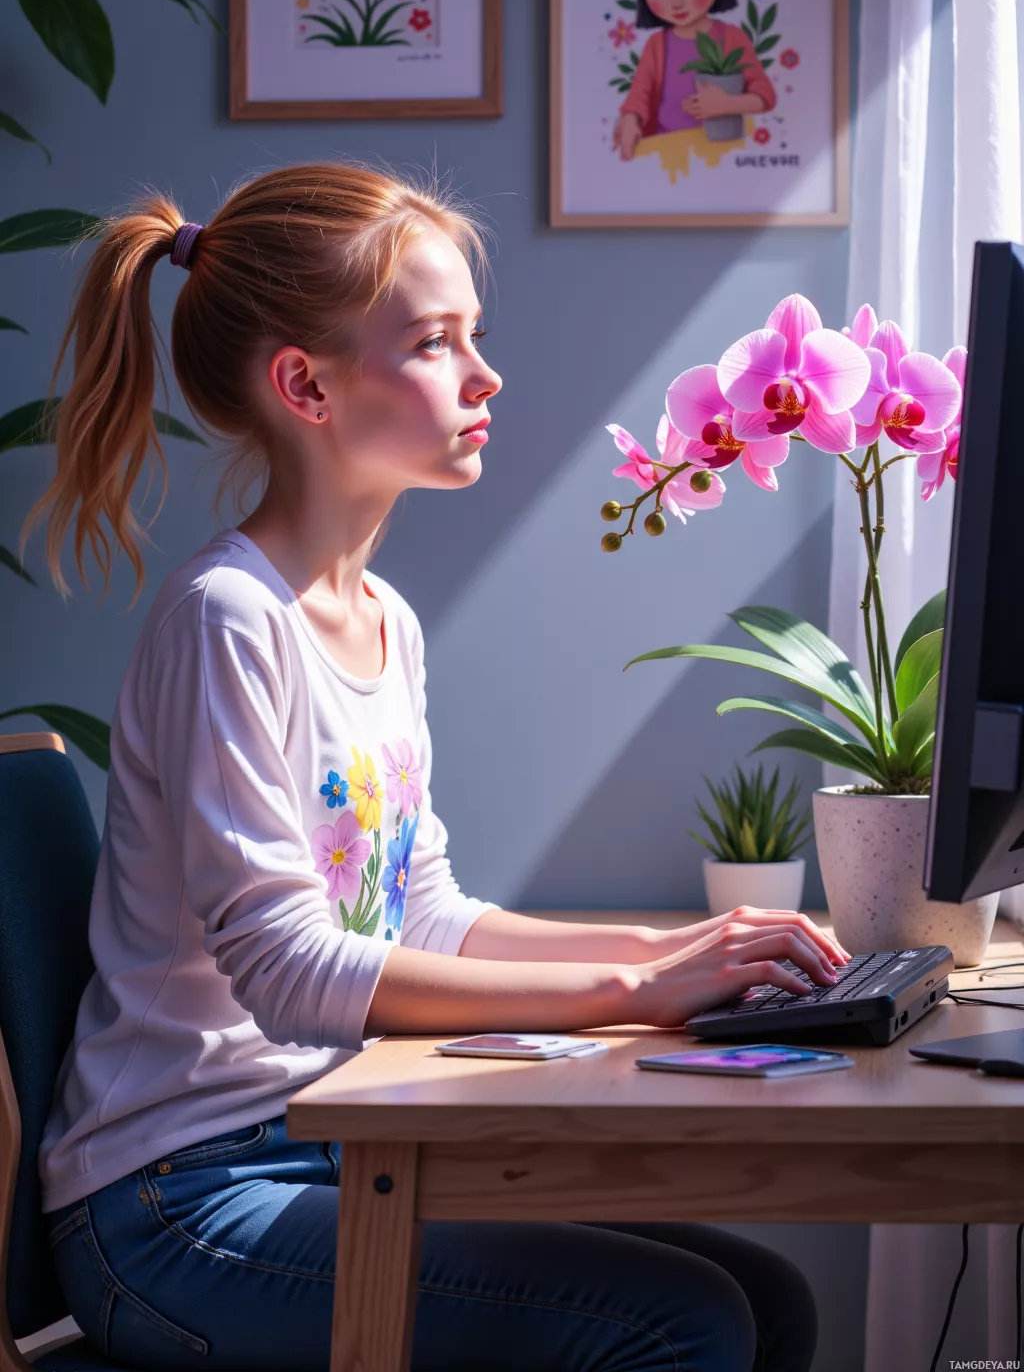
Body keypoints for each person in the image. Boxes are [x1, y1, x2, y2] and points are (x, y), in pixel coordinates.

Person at [29, 163, 842, 1371]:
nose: (484, 375)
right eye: (435, 342)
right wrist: (631, 995)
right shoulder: (229, 622)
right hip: (177, 1205)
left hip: (316, 1147)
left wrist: (670, 960)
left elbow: (424, 909)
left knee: (761, 1296)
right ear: (305, 383)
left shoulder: (383, 621)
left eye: (475, 335)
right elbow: (292, 970)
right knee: (687, 1323)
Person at [613, 0, 776, 161]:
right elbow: (639, 97)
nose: (677, 2)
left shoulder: (731, 38)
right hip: (670, 151)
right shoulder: (657, 45)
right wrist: (630, 121)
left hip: (722, 153)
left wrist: (726, 105)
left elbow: (765, 96)